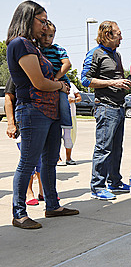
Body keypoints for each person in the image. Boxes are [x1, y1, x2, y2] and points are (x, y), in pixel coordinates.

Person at [7, 1, 79, 229]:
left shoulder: (35, 47)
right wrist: (60, 86)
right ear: (29, 19)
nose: (45, 26)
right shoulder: (20, 44)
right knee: (28, 162)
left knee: (49, 161)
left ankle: (53, 205)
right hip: (33, 110)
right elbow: (38, 82)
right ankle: (19, 213)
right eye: (43, 20)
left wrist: (58, 86)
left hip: (50, 112)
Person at [82, 20, 131, 200]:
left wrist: (125, 82)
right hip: (105, 107)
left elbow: (115, 79)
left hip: (119, 107)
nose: (121, 37)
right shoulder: (95, 54)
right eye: (118, 33)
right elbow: (85, 80)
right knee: (103, 148)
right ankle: (97, 186)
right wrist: (112, 83)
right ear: (107, 35)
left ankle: (115, 182)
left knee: (116, 148)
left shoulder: (116, 55)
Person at [38, 20, 73, 167]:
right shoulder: (36, 49)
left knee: (63, 103)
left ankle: (66, 123)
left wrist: (56, 77)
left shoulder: (58, 49)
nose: (47, 39)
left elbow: (67, 64)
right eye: (44, 35)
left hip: (59, 81)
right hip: (45, 84)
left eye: (50, 36)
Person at [5, 76, 44, 206]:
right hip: (24, 122)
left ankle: (43, 191)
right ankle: (29, 193)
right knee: (28, 160)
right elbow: (8, 99)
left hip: (42, 121)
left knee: (43, 160)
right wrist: (11, 123)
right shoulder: (16, 74)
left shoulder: (43, 71)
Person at [65, 82, 82, 165]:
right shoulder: (55, 83)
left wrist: (73, 100)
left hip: (71, 115)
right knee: (56, 138)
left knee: (71, 137)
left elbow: (79, 98)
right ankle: (57, 159)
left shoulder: (71, 85)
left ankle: (68, 158)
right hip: (58, 115)